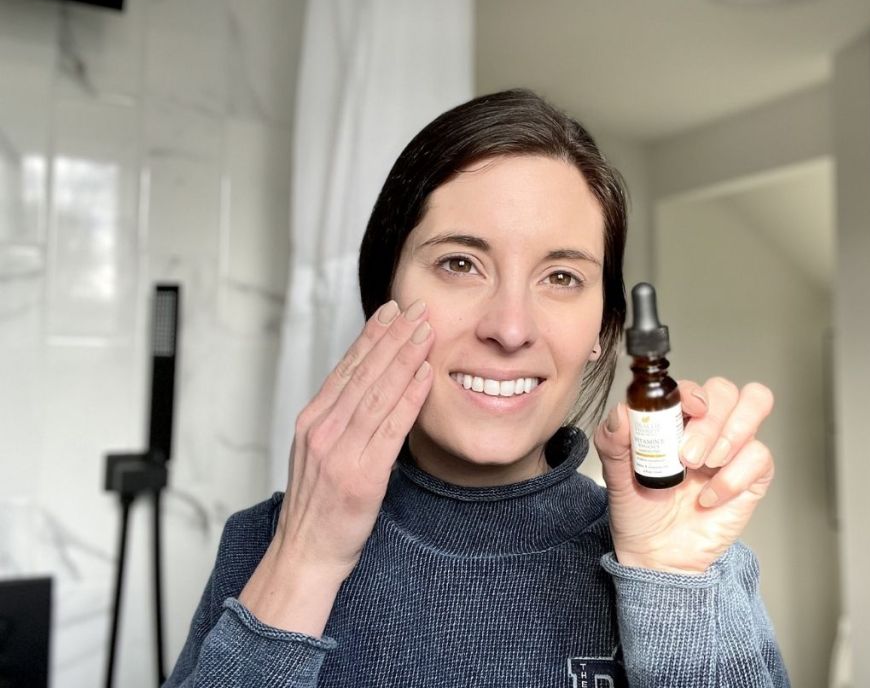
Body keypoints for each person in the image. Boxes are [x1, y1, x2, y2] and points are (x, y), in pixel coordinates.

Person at [164, 89, 788, 687]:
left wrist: (670, 587)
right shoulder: (268, 542)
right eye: (460, 264)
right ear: (385, 296)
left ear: (602, 328)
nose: (510, 328)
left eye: (563, 276)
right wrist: (304, 561)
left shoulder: (690, 567)